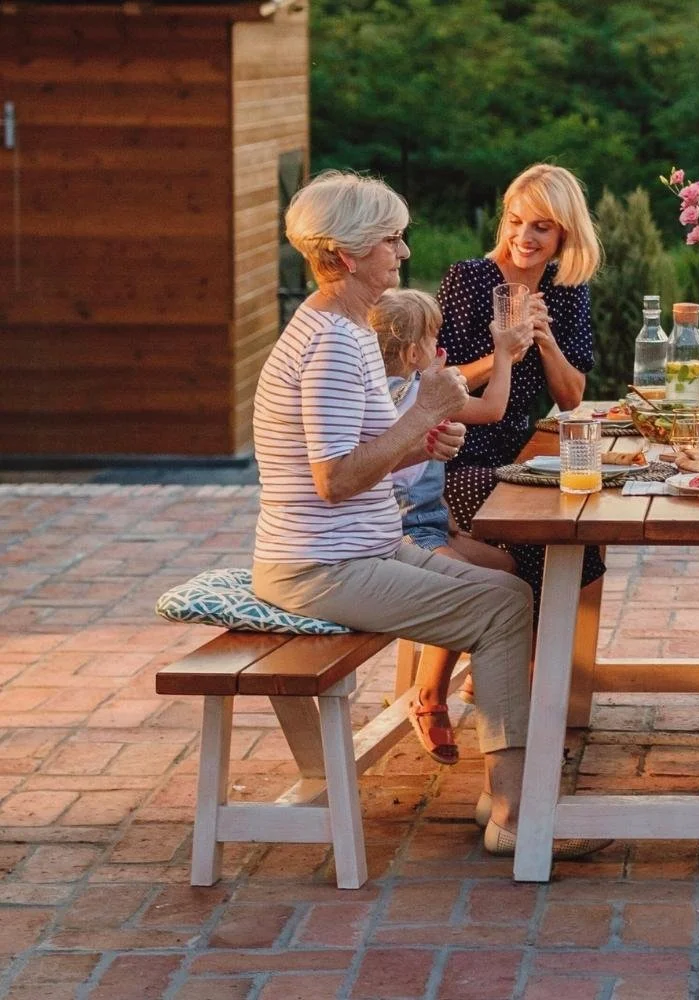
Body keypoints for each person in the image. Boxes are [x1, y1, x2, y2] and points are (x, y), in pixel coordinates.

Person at [250, 171, 606, 860]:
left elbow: (369, 451)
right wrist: (422, 414)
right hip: (321, 566)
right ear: (350, 255)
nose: (404, 252)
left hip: (365, 548)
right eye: (391, 239)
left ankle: (503, 792)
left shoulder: (348, 330)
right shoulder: (329, 343)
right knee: (503, 612)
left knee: (510, 592)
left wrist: (424, 435)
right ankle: (517, 814)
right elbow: (334, 481)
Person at [371, 288, 531, 766]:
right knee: (468, 592)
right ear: (414, 350)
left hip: (434, 522)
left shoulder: (421, 386)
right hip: (406, 533)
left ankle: (483, 669)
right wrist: (502, 353)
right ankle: (428, 697)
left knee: (511, 568)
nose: (440, 343)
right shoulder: (410, 394)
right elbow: (492, 409)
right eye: (434, 335)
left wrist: (449, 518)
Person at [436, 163, 606, 607]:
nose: (524, 236)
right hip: (456, 453)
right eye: (515, 221)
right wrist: (504, 354)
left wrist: (546, 341)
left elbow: (570, 397)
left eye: (541, 227)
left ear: (564, 235)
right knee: (536, 536)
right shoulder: (469, 280)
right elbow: (434, 384)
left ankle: (532, 671)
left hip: (519, 453)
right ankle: (510, 673)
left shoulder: (566, 288)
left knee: (574, 534)